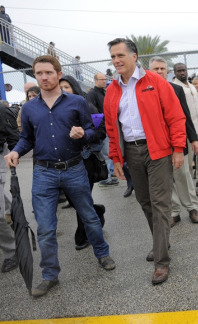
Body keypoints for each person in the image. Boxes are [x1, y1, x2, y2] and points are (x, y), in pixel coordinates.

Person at [4, 55, 115, 297]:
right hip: (43, 173)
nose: (43, 77)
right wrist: (15, 151)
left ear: (58, 73)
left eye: (48, 73)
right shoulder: (30, 108)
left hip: (74, 169)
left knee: (88, 217)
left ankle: (102, 253)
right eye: (39, 74)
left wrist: (82, 134)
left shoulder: (76, 102)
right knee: (45, 227)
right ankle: (50, 275)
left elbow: (93, 130)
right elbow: (26, 139)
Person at [104, 38, 186, 285]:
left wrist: (178, 148)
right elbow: (111, 127)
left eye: (120, 55)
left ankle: (162, 261)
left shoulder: (156, 82)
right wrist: (116, 158)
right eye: (113, 57)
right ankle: (162, 241)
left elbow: (175, 116)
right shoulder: (112, 90)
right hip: (131, 152)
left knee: (160, 204)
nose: (116, 60)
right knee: (145, 201)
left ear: (134, 56)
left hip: (158, 151)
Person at [148, 57, 198, 226]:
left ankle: (192, 208)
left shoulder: (177, 89)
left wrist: (193, 139)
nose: (159, 71)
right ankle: (174, 212)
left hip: (178, 142)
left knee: (183, 176)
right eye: (155, 68)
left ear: (167, 71)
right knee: (166, 180)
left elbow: (185, 116)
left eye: (162, 68)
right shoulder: (144, 90)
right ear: (149, 70)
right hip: (157, 144)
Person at [59, 75, 107, 251]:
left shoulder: (85, 105)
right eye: (60, 87)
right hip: (63, 160)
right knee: (74, 200)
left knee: (81, 197)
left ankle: (82, 234)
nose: (63, 91)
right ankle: (97, 211)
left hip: (85, 159)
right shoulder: (53, 109)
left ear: (74, 88)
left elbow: (100, 131)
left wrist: (84, 134)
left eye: (67, 87)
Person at [87, 73, 120, 189]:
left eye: (105, 79)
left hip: (108, 126)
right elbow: (93, 112)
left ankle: (110, 174)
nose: (104, 81)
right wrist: (99, 128)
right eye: (102, 79)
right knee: (106, 154)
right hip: (102, 127)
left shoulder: (103, 92)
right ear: (95, 80)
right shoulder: (92, 94)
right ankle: (106, 178)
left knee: (110, 152)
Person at [0, 99, 18, 274]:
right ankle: (14, 215)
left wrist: (14, 156)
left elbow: (14, 135)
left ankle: (12, 251)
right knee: (3, 204)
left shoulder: (2, 110)